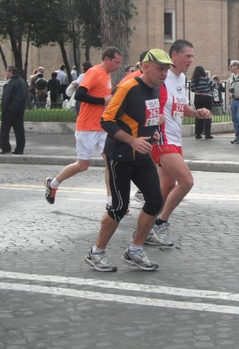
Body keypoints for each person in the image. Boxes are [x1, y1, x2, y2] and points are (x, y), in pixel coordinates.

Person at [84, 48, 172, 272]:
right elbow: (106, 120)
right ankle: (96, 252)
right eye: (160, 69)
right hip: (120, 155)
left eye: (166, 69)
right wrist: (132, 141)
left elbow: (145, 117)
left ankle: (135, 249)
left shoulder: (157, 88)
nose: (164, 73)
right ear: (146, 67)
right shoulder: (128, 87)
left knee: (155, 201)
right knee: (120, 207)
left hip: (142, 155)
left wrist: (151, 133)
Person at [147, 40, 212, 247]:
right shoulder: (161, 77)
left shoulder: (181, 78)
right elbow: (143, 101)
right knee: (187, 181)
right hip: (162, 138)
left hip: (176, 138)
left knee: (166, 187)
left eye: (192, 56)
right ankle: (160, 223)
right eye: (187, 56)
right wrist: (151, 118)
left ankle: (145, 229)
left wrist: (196, 112)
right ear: (174, 55)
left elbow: (180, 105)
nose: (191, 60)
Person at [44, 47, 123, 205]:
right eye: (116, 62)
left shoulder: (107, 75)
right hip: (87, 127)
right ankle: (53, 184)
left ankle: (111, 201)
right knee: (82, 165)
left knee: (110, 162)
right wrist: (103, 101)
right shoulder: (94, 72)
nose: (119, 66)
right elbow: (79, 95)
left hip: (102, 127)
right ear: (107, 59)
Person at [1, 66, 27, 155]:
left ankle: (5, 148)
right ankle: (19, 149)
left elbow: (6, 97)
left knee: (4, 131)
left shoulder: (12, 82)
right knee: (19, 131)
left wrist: (4, 109)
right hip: (19, 111)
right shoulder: (21, 81)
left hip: (10, 111)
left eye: (7, 72)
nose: (6, 74)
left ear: (11, 72)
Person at [189, 65, 215, 139]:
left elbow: (192, 89)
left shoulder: (194, 80)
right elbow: (213, 85)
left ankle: (198, 133)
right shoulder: (206, 78)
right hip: (206, 97)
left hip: (197, 97)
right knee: (207, 114)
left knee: (199, 114)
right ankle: (207, 133)